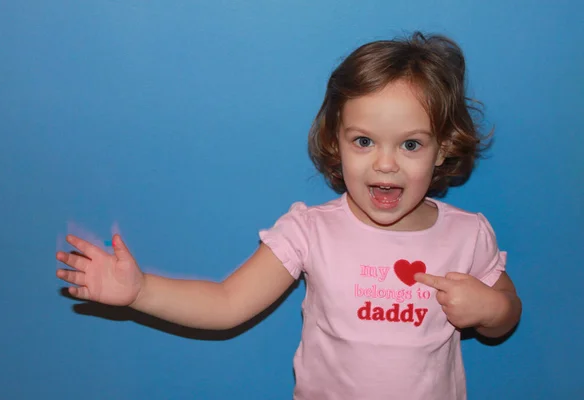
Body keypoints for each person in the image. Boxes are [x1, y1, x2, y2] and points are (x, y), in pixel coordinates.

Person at [56, 31, 521, 400]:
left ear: (442, 150)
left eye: (411, 144)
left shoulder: (467, 233)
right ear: (335, 142)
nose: (385, 163)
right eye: (364, 141)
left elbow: (507, 314)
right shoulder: (310, 231)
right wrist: (140, 291)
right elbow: (227, 302)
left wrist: (491, 308)